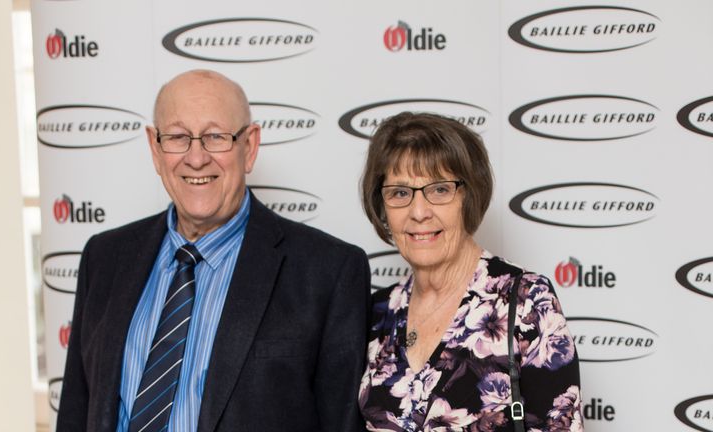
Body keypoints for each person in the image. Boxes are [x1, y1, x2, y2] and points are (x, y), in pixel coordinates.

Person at [56, 69, 370, 432]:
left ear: (249, 147)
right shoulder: (104, 258)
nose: (196, 158)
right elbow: (75, 415)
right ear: (155, 150)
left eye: (215, 137)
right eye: (177, 137)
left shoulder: (327, 273)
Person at [358, 112, 582, 431]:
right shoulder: (378, 313)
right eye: (400, 193)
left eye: (439, 190)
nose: (418, 212)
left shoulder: (526, 302)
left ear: (469, 196)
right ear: (382, 207)